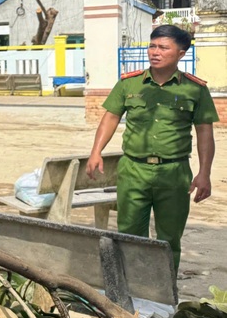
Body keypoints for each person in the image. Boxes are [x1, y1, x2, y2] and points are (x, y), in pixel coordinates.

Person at [86, 24, 218, 272]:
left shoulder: (195, 89)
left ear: (181, 53)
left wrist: (204, 173)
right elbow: (111, 117)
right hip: (133, 170)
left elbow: (204, 132)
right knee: (129, 235)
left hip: (174, 173)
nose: (155, 52)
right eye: (152, 46)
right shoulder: (130, 84)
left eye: (163, 47)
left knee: (169, 238)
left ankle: (164, 293)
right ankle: (132, 289)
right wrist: (96, 151)